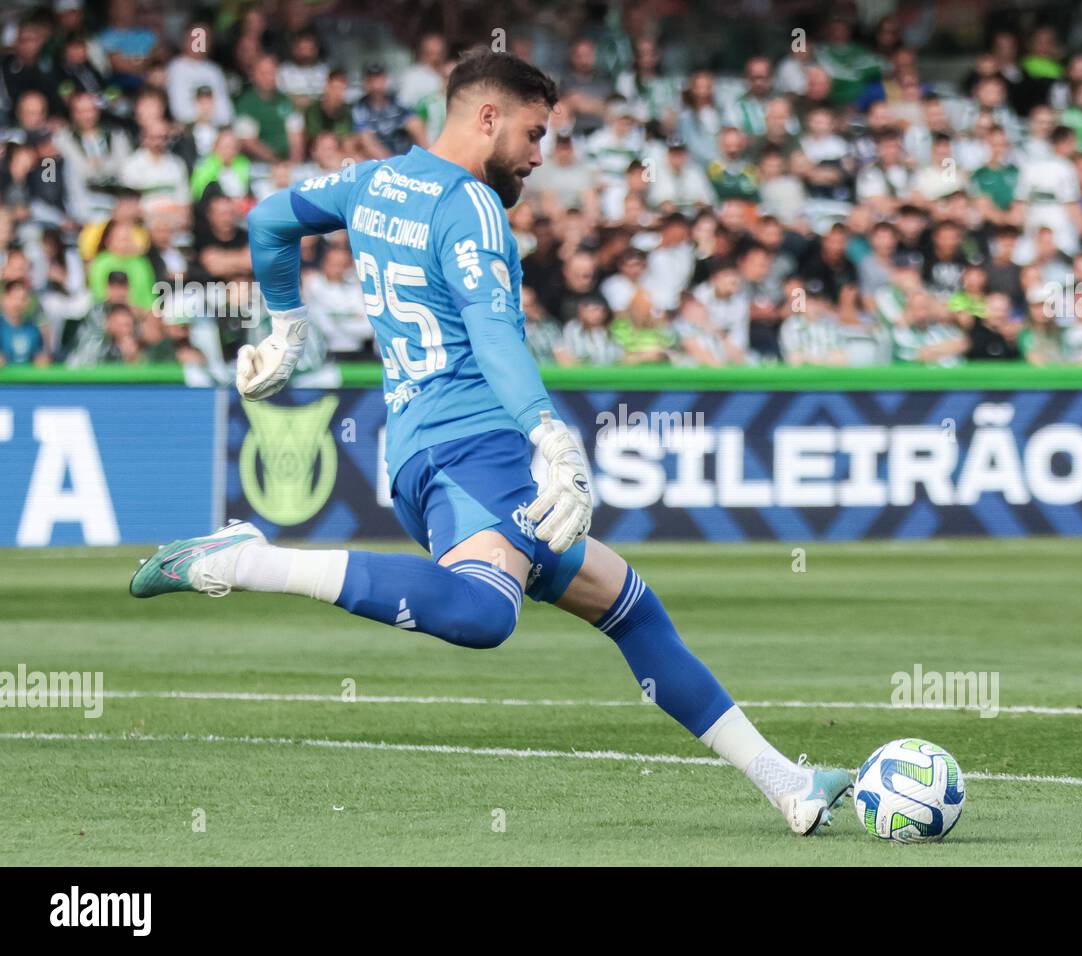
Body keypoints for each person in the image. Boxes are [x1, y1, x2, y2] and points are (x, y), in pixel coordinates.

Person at [129, 49, 850, 836]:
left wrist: (286, 323)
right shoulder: (470, 205)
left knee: (632, 611)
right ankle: (239, 559)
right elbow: (495, 330)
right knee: (482, 614)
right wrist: (555, 438)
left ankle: (788, 781)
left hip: (420, 451)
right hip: (470, 445)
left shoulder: (372, 182)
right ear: (487, 118)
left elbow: (269, 218)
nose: (540, 157)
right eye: (534, 135)